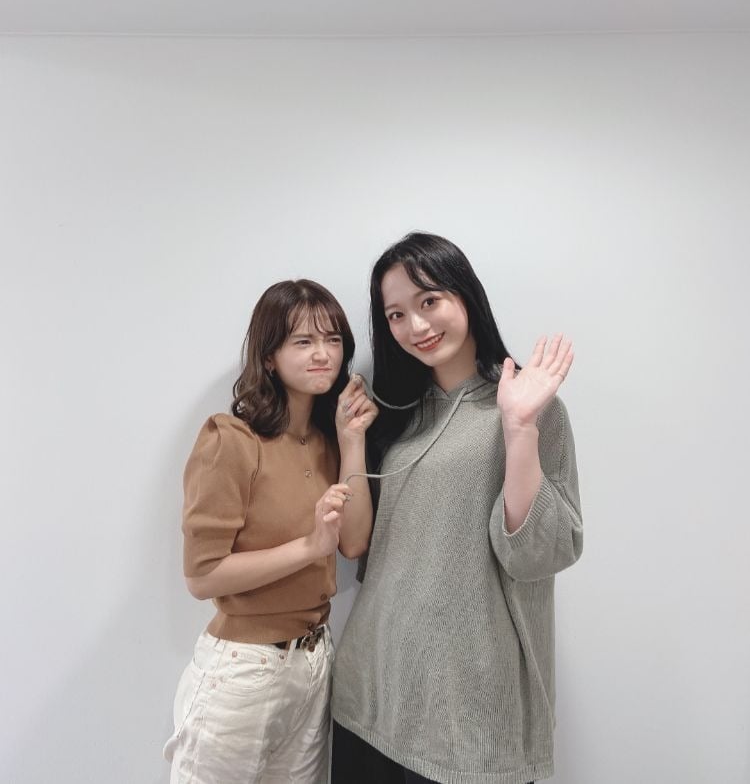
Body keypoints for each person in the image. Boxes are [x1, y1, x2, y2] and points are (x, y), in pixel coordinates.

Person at [331, 232, 583, 784]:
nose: (416, 326)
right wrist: (351, 440)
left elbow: (538, 555)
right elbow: (357, 547)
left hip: (469, 716)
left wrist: (519, 428)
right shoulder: (400, 417)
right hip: (371, 692)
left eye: (429, 300)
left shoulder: (530, 406)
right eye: (396, 315)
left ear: (465, 295)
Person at [164, 279, 377, 784]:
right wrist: (309, 547)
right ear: (269, 357)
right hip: (244, 669)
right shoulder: (231, 440)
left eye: (332, 340)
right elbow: (202, 576)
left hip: (314, 664)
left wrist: (351, 442)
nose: (323, 354)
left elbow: (353, 543)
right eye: (303, 342)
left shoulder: (326, 441)